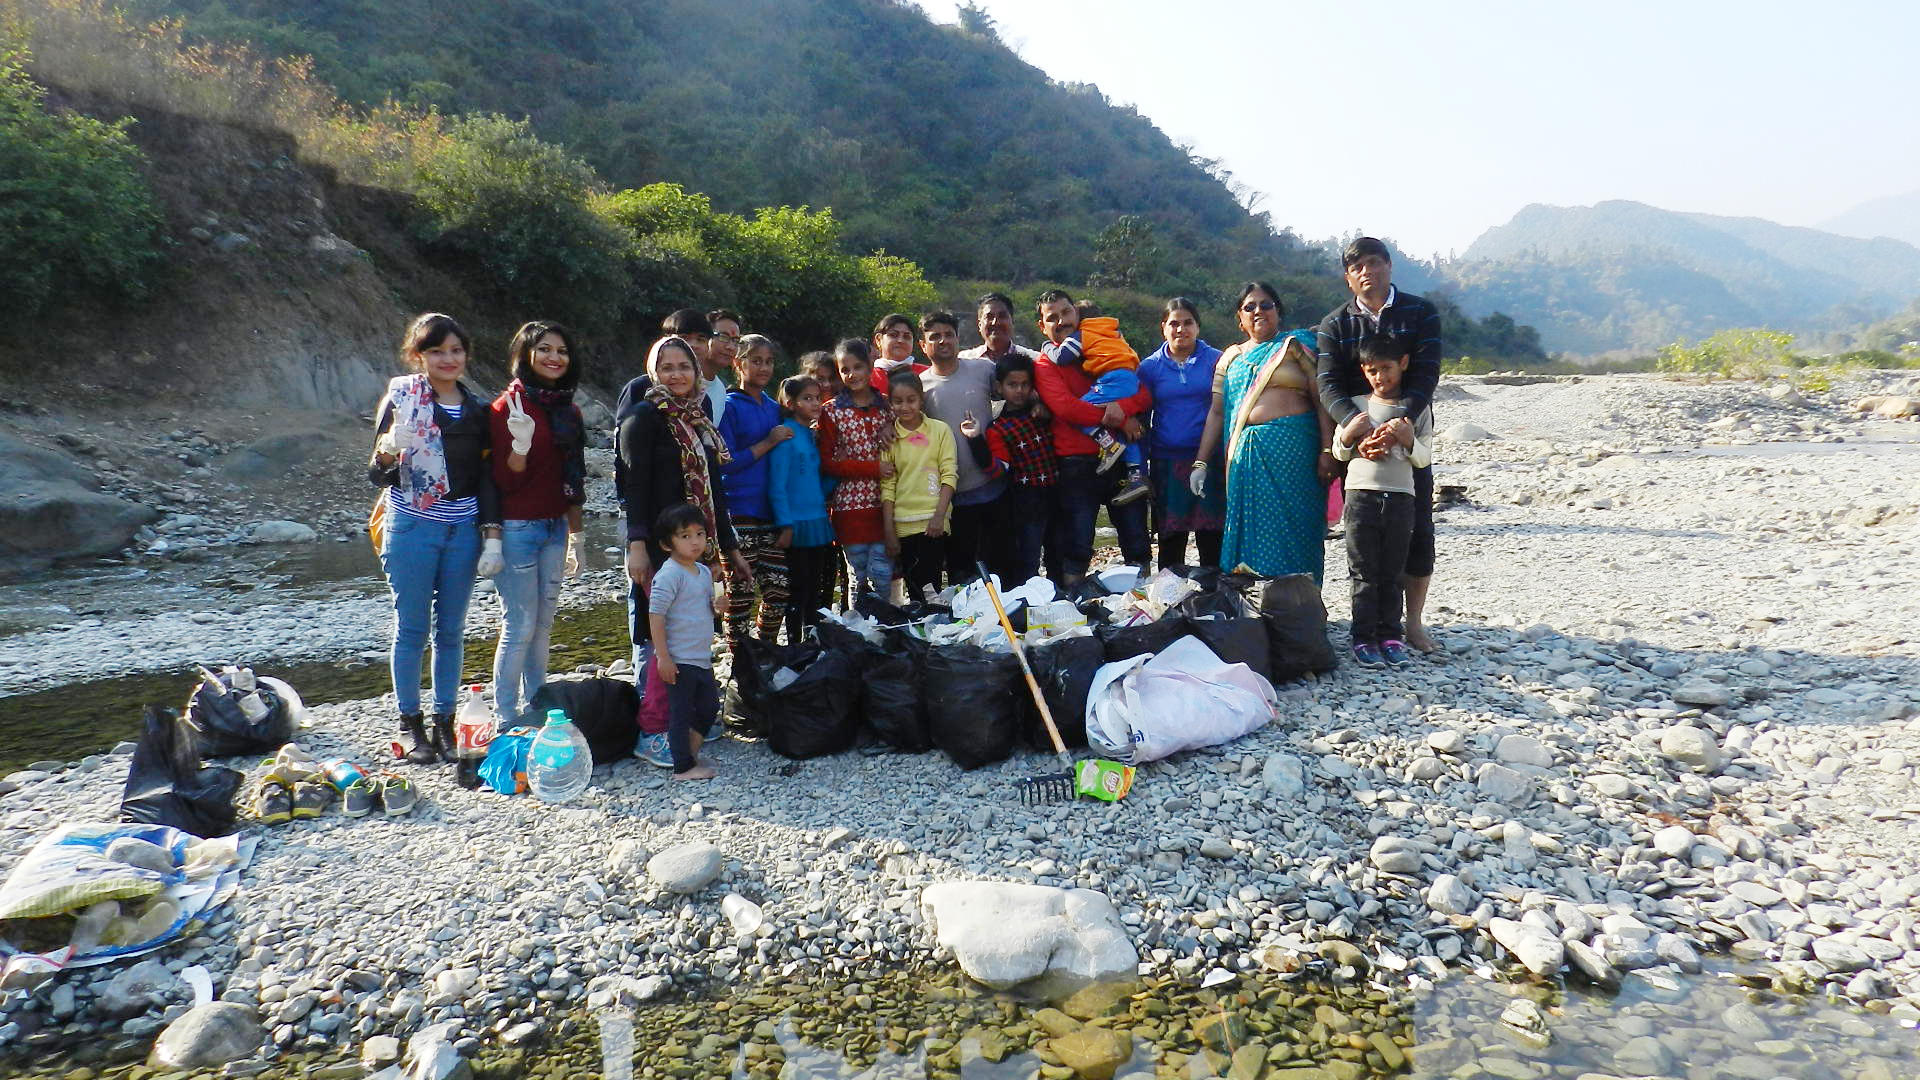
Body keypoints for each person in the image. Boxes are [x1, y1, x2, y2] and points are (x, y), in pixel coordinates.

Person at [368, 312, 502, 765]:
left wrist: (492, 534)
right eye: (437, 351)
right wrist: (389, 448)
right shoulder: (402, 397)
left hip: (461, 527)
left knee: (451, 630)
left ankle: (445, 721)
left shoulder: (479, 409)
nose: (448, 359)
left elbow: (486, 476)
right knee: (411, 628)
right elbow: (376, 472)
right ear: (418, 355)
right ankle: (410, 724)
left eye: (456, 350)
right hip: (411, 524)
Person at [617, 336, 752, 767]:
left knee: (694, 630)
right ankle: (654, 728)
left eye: (684, 366)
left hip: (698, 545)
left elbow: (714, 488)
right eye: (667, 366)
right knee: (662, 640)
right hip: (660, 547)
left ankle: (689, 718)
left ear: (696, 371)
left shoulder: (698, 418)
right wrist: (636, 547)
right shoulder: (642, 418)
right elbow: (633, 488)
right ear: (653, 372)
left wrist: (729, 547)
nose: (677, 374)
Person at [1315, 237, 1444, 652]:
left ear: (1389, 266)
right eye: (1357, 267)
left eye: (1374, 263)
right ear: (1348, 277)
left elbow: (1427, 373)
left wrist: (1399, 423)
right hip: (1354, 435)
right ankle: (1365, 628)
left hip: (1406, 430)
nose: (1367, 272)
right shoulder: (1336, 324)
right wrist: (1356, 424)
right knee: (1362, 539)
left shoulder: (1420, 313)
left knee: (1418, 530)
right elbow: (1328, 383)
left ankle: (1412, 623)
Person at [1191, 282, 1337, 582]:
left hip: (1296, 455)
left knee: (1298, 527)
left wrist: (1327, 450)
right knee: (1253, 530)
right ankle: (1257, 607)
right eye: (1250, 307)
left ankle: (1300, 605)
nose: (1259, 311)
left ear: (1278, 312)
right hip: (1246, 460)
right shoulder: (1230, 358)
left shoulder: (1296, 344)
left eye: (1266, 304)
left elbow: (1321, 399)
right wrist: (1201, 463)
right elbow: (1217, 412)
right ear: (1239, 318)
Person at [487, 320, 587, 725]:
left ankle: (538, 702)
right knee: (520, 623)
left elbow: (574, 477)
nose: (554, 358)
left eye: (561, 351)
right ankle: (505, 714)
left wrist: (577, 535)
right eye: (545, 349)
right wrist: (520, 445)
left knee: (543, 623)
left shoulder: (569, 409)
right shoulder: (506, 407)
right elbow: (504, 481)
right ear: (525, 354)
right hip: (517, 528)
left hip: (554, 527)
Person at [1032, 289, 1153, 586]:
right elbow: (1064, 408)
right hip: (1076, 462)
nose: (1061, 321)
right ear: (1042, 326)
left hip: (1120, 458)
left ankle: (1145, 605)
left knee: (1136, 536)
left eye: (1065, 313)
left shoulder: (1101, 348)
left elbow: (1142, 393)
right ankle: (1074, 607)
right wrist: (1120, 418)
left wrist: (1123, 411)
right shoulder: (1045, 364)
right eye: (1052, 318)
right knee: (1077, 541)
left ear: (1077, 313)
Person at [1331, 338, 1432, 667]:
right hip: (1361, 496)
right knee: (1363, 571)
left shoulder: (1414, 410)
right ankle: (1362, 638)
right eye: (1372, 370)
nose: (1379, 377)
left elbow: (1424, 457)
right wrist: (1348, 435)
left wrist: (1408, 440)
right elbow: (1338, 451)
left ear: (1402, 364)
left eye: (1386, 369)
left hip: (1402, 498)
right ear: (1364, 371)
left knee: (1392, 570)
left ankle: (1391, 635)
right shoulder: (1355, 406)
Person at [1137, 299, 1226, 569]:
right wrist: (1141, 470)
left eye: (1188, 323)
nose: (1181, 329)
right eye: (1174, 323)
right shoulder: (1150, 367)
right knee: (1170, 538)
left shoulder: (1218, 361)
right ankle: (1171, 603)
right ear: (1163, 327)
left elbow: (1227, 409)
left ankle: (1214, 602)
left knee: (1212, 535)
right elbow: (1140, 421)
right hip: (1166, 462)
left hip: (1210, 460)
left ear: (1198, 327)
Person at [716, 334, 792, 650]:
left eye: (768, 361)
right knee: (741, 591)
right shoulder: (728, 407)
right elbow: (725, 461)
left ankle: (766, 648)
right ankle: (738, 656)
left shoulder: (776, 408)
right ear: (738, 363)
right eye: (755, 360)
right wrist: (768, 442)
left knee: (778, 589)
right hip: (737, 510)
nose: (763, 367)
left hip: (770, 512)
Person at [916, 310, 1003, 586]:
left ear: (958, 338)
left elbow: (1014, 394)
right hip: (950, 495)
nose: (943, 341)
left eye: (948, 335)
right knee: (959, 572)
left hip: (992, 487)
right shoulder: (920, 386)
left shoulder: (983, 370)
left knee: (998, 566)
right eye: (935, 337)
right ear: (923, 345)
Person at [963, 352, 1058, 582]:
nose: (1019, 390)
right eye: (1012, 384)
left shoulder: (1043, 412)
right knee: (1028, 555)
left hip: (1056, 493)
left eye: (1025, 384)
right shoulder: (998, 429)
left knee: (1058, 549)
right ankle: (1026, 598)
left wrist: (1041, 404)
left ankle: (1058, 595)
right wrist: (976, 439)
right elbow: (996, 469)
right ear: (999, 387)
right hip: (1025, 501)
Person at [1043, 301, 1149, 504]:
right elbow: (1144, 394)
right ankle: (1136, 477)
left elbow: (1062, 357)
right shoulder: (1114, 334)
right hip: (1130, 377)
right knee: (1127, 434)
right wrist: (1123, 417)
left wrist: (1046, 346)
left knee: (1082, 409)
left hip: (1111, 379)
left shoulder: (1083, 334)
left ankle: (1109, 445)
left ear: (1080, 320)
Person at [648, 503, 724, 781]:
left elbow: (705, 608)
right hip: (679, 658)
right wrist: (663, 657)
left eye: (700, 534)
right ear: (667, 544)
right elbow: (656, 616)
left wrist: (718, 606)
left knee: (709, 706)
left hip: (700, 655)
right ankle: (682, 767)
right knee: (680, 713)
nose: (695, 542)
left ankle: (689, 753)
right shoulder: (668, 575)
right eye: (685, 536)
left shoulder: (703, 572)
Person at [818, 339, 895, 600]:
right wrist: (873, 468)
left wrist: (892, 427)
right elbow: (828, 463)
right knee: (858, 575)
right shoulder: (830, 412)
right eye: (845, 369)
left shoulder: (888, 406)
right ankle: (860, 631)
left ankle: (883, 629)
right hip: (849, 507)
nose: (852, 375)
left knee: (883, 573)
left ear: (871, 366)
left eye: (858, 367)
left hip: (886, 503)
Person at [767, 374, 836, 644]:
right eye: (807, 398)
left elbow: (815, 483)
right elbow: (777, 485)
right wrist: (785, 524)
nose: (816, 403)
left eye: (817, 398)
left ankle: (811, 639)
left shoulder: (810, 435)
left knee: (814, 586)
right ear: (790, 402)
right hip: (796, 523)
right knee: (798, 587)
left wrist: (836, 473)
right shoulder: (785, 435)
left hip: (816, 519)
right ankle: (795, 641)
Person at [879, 370, 956, 602]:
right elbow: (887, 486)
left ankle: (936, 633)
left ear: (921, 400)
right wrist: (889, 531)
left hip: (934, 521)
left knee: (933, 586)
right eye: (898, 401)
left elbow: (949, 475)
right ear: (890, 403)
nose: (905, 407)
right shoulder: (890, 438)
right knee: (914, 589)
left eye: (911, 400)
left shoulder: (940, 430)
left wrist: (939, 517)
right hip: (903, 524)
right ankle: (919, 634)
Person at [959, 292, 1038, 365]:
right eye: (989, 317)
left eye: (1002, 316)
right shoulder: (964, 361)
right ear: (979, 325)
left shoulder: (1035, 361)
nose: (995, 322)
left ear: (1012, 322)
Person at [868, 313, 924, 393]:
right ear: (879, 340)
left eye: (906, 336)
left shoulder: (926, 374)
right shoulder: (866, 378)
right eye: (893, 335)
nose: (900, 340)